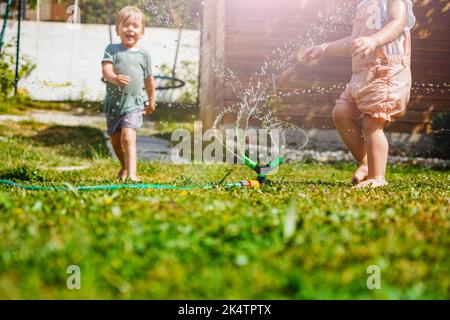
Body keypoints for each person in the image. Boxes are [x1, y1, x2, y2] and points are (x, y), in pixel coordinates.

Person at [302, 0, 416, 188]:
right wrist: (325, 48)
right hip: (362, 74)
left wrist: (374, 41)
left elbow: (398, 23)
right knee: (341, 113)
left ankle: (377, 177)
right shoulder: (364, 5)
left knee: (373, 123)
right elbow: (355, 42)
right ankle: (365, 163)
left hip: (386, 71)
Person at [101, 6, 156, 182]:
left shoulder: (144, 55)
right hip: (113, 106)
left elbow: (149, 81)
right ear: (118, 29)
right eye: (125, 25)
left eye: (135, 26)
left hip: (134, 105)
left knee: (128, 138)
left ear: (142, 31)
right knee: (116, 143)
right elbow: (106, 70)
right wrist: (114, 78)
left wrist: (152, 100)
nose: (130, 29)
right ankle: (124, 166)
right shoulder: (112, 49)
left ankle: (132, 175)